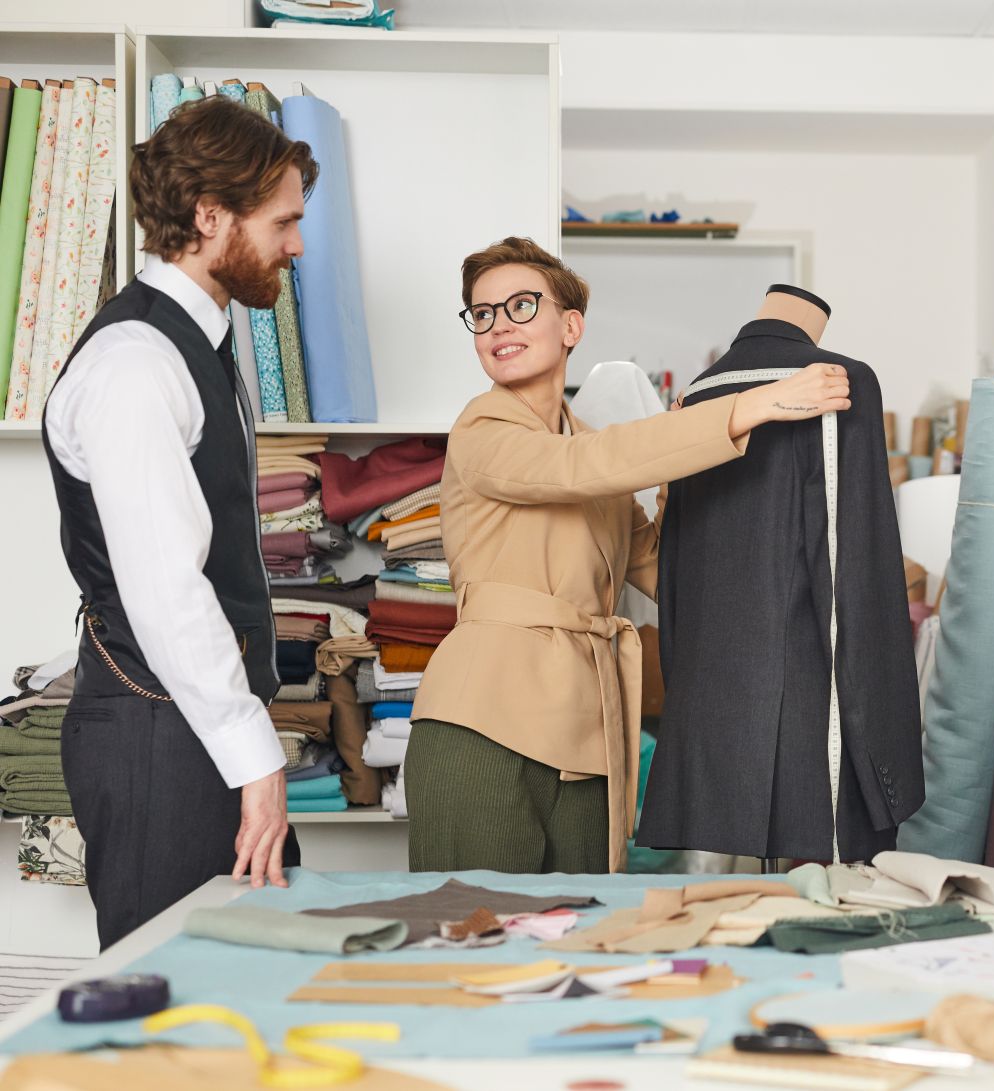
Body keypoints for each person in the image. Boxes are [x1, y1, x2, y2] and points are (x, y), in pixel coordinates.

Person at [408, 237, 851, 873]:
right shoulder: (483, 429)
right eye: (482, 314)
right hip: (483, 718)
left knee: (583, 927)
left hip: (588, 729)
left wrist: (680, 486)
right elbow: (577, 469)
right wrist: (747, 409)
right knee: (478, 933)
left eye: (521, 306)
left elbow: (668, 572)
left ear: (571, 326)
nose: (498, 324)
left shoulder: (589, 452)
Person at [42, 97, 316, 948]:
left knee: (253, 999)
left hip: (191, 727)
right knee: (167, 1024)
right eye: (283, 222)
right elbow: (164, 589)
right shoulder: (137, 363)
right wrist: (257, 758)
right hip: (159, 738)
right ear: (208, 216)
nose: (296, 246)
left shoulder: (199, 339)